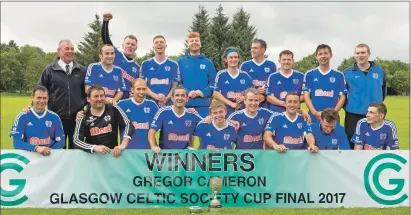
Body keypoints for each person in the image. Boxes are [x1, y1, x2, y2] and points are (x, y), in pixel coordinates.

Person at [37, 39, 87, 149]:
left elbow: (87, 93)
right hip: (56, 119)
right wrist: (32, 108)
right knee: (58, 152)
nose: (70, 51)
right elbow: (39, 91)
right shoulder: (49, 70)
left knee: (77, 152)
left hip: (77, 120)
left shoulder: (82, 70)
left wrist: (85, 110)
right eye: (67, 48)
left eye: (72, 49)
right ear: (59, 51)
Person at [344, 43, 387, 149]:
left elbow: (383, 91)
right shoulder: (348, 72)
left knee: (374, 145)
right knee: (352, 145)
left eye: (363, 52)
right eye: (357, 53)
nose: (360, 55)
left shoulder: (379, 71)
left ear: (369, 54)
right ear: (354, 55)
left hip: (375, 115)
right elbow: (343, 94)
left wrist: (377, 107)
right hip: (353, 115)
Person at [73, 85, 134, 156]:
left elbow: (128, 125)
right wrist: (94, 147)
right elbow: (76, 140)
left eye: (102, 96)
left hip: (112, 156)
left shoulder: (114, 109)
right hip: (92, 158)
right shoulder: (83, 115)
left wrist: (122, 146)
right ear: (88, 99)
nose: (99, 99)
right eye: (96, 96)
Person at [10, 86, 65, 155]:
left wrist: (48, 151)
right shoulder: (22, 117)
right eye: (39, 98)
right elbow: (17, 143)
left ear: (48, 98)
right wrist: (37, 148)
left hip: (50, 157)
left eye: (44, 98)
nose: (42, 101)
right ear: (32, 98)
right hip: (29, 158)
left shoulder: (55, 117)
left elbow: (61, 141)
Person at [149, 86, 203, 152]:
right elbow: (151, 132)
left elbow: (206, 125)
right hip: (166, 155)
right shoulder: (163, 111)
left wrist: (201, 151)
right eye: (177, 95)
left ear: (187, 99)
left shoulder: (192, 114)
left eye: (183, 95)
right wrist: (154, 146)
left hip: (184, 156)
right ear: (172, 98)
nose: (180, 98)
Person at [303, 44, 347, 124]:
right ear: (316, 57)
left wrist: (333, 113)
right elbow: (306, 95)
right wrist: (314, 112)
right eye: (320, 54)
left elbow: (342, 97)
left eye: (326, 53)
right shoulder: (309, 74)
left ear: (331, 55)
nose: (323, 56)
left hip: (332, 118)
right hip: (314, 118)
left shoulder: (339, 75)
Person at [102, 12, 140, 99]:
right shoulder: (115, 54)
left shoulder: (138, 68)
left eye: (132, 44)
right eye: (127, 43)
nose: (130, 46)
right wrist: (105, 22)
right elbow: (105, 39)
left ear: (136, 48)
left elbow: (138, 86)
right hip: (110, 97)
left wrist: (135, 93)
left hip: (126, 102)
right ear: (123, 45)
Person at [178, 32, 216, 118]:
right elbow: (178, 83)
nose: (194, 42)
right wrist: (187, 92)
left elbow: (214, 83)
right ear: (188, 45)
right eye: (191, 41)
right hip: (185, 104)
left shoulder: (208, 62)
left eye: (196, 40)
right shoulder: (181, 62)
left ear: (200, 44)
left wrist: (202, 93)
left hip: (204, 105)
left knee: (203, 129)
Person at [116, 78, 159, 149]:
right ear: (132, 90)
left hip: (148, 152)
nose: (141, 92)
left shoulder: (152, 105)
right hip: (128, 152)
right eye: (138, 89)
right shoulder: (121, 105)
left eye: (144, 89)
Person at [140, 35, 180, 107]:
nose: (159, 44)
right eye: (156, 42)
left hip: (168, 104)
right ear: (153, 47)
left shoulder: (174, 64)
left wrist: (166, 98)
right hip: (149, 105)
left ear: (165, 46)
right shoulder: (145, 64)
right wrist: (156, 96)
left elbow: (175, 86)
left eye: (161, 42)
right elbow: (142, 85)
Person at [212, 47, 253, 116]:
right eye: (231, 57)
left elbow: (252, 93)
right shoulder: (221, 75)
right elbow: (215, 93)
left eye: (235, 57)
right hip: (225, 113)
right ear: (225, 59)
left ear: (239, 59)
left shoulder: (246, 76)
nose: (233, 59)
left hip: (243, 112)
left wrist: (244, 98)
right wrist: (231, 104)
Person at [240, 39, 277, 108]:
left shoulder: (272, 65)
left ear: (263, 50)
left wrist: (264, 95)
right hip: (249, 104)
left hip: (266, 103)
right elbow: (241, 86)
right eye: (251, 48)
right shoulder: (245, 65)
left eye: (255, 48)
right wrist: (255, 92)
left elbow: (274, 86)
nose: (252, 50)